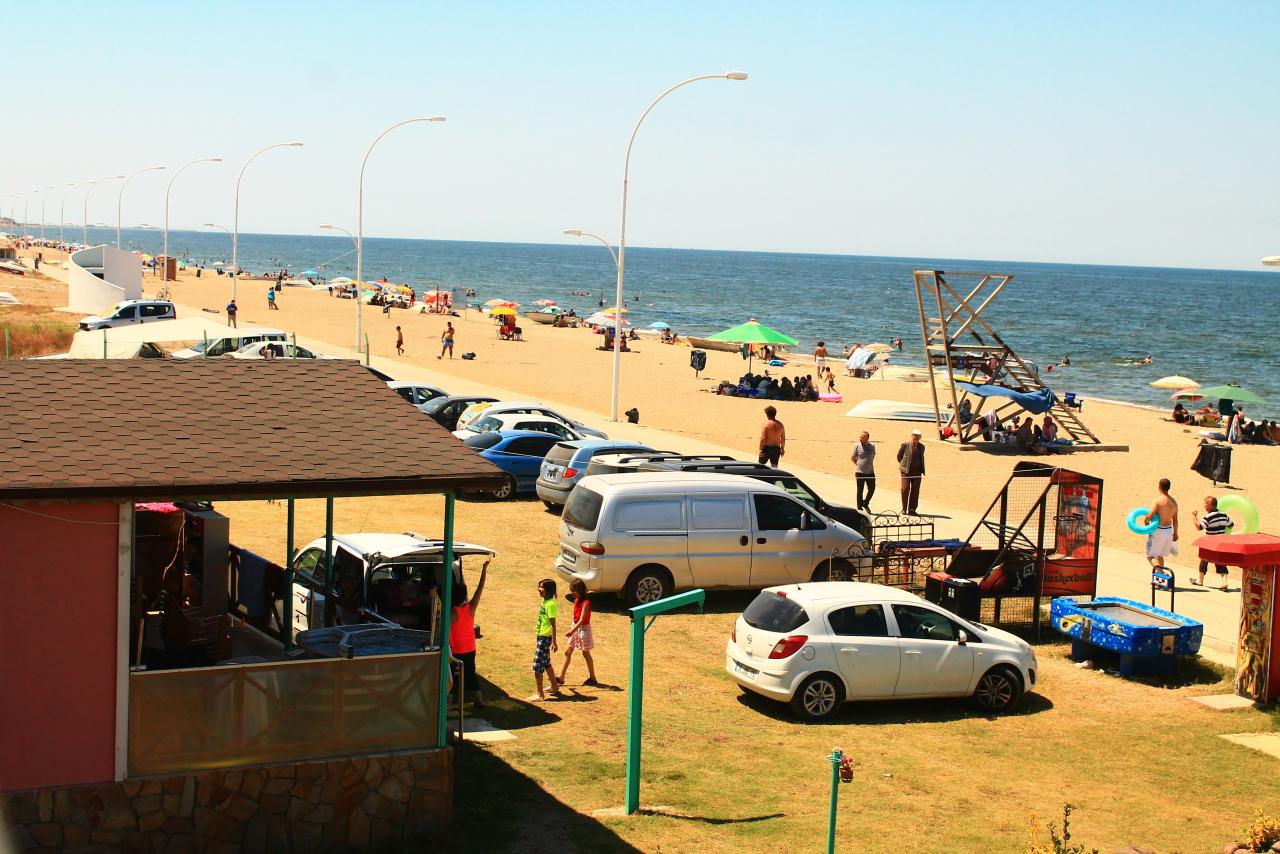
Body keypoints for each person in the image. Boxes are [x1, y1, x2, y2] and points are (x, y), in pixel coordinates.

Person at [450, 560, 488, 706]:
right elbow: (480, 588)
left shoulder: (452, 612)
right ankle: (480, 700)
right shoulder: (471, 608)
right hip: (470, 648)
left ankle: (448, 703)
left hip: (455, 650)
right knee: (471, 674)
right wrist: (484, 570)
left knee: (451, 676)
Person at [557, 579, 598, 687]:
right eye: (571, 590)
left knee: (586, 653)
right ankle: (561, 677)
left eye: (573, 590)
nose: (572, 593)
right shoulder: (576, 600)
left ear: (580, 590)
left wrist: (572, 630)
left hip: (583, 629)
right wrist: (573, 628)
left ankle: (593, 677)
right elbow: (576, 618)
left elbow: (582, 620)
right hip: (575, 627)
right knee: (567, 652)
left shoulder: (586, 603)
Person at [529, 578, 562, 701]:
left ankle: (540, 694)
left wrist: (554, 642)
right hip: (541, 636)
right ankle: (554, 686)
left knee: (537, 666)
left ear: (549, 590)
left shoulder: (551, 604)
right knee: (546, 663)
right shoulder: (546, 601)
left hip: (545, 638)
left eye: (542, 587)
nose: (539, 589)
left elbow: (553, 624)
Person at [1191, 497, 1232, 591]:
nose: (1204, 506)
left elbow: (1199, 527)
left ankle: (1200, 581)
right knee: (1220, 561)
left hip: (1209, 543)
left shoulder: (1208, 516)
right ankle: (1224, 582)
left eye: (1205, 504)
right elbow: (1231, 525)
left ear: (1210, 505)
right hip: (1220, 543)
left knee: (1203, 559)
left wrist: (1194, 517)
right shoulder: (1224, 514)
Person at [1141, 478, 1179, 570]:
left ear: (1159, 487)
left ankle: (1160, 573)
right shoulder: (1174, 502)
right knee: (1159, 555)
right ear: (1169, 488)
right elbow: (1175, 520)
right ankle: (1159, 578)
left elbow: (1149, 515)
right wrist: (1175, 533)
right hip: (1169, 530)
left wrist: (1146, 522)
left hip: (1158, 530)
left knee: (1150, 555)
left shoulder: (1158, 501)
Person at [897, 429, 926, 514]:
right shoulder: (905, 444)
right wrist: (904, 465)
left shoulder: (922, 447)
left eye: (918, 436)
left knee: (915, 490)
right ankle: (904, 508)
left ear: (920, 437)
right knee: (905, 489)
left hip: (917, 471)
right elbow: (899, 457)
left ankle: (912, 509)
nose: (916, 437)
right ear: (911, 436)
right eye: (914, 436)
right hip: (906, 471)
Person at [852, 431, 876, 511]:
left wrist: (868, 464)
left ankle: (865, 503)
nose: (860, 439)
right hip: (860, 472)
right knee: (860, 490)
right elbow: (852, 458)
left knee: (872, 489)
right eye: (860, 437)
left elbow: (873, 456)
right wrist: (859, 465)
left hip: (870, 472)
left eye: (862, 437)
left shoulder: (872, 446)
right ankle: (859, 507)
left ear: (867, 438)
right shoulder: (857, 446)